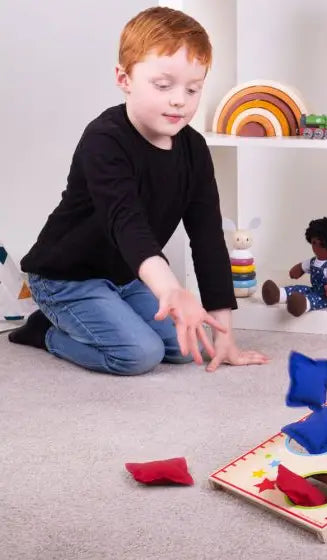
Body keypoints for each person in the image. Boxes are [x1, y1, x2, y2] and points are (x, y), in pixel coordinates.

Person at [8, 6, 268, 375]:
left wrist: (224, 330)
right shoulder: (104, 140)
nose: (180, 99)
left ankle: (110, 311)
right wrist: (169, 290)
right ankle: (44, 332)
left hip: (124, 275)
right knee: (138, 355)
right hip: (66, 276)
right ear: (124, 78)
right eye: (164, 86)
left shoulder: (193, 148)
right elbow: (126, 223)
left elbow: (207, 236)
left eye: (193, 89)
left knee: (183, 349)